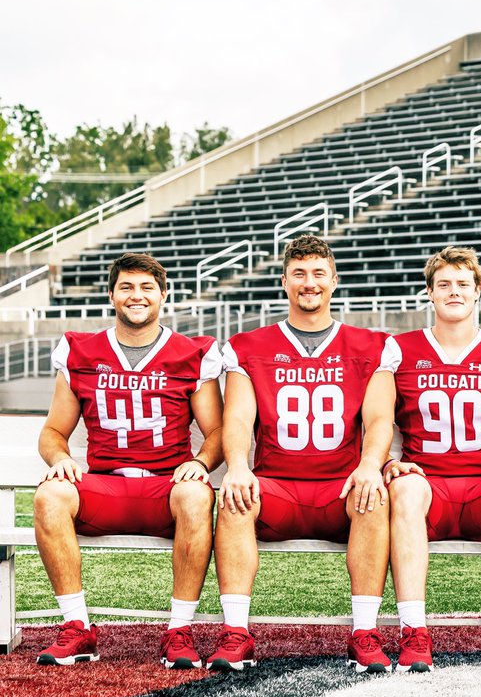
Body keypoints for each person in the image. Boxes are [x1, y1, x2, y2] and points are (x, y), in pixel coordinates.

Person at [210, 234, 396, 673]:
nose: (308, 283)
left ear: (333, 281)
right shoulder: (249, 346)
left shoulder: (371, 345)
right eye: (298, 274)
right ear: (284, 281)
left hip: (341, 486)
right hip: (275, 486)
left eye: (317, 274)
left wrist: (371, 465)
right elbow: (236, 419)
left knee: (374, 495)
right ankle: (236, 632)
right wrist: (237, 466)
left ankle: (364, 632)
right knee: (235, 497)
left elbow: (379, 419)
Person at [34, 252, 223, 668]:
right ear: (112, 295)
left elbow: (217, 432)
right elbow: (52, 432)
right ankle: (77, 627)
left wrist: (203, 462)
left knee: (196, 496)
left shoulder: (191, 353)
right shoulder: (81, 351)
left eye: (146, 287)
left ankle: (179, 630)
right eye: (127, 287)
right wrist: (60, 458)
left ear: (163, 295)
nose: (136, 296)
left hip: (165, 487)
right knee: (49, 497)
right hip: (105, 484)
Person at [385, 246, 481, 673]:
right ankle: (413, 630)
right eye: (444, 285)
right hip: (427, 482)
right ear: (429, 293)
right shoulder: (398, 350)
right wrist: (389, 461)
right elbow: (377, 421)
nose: (454, 292)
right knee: (406, 488)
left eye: (463, 285)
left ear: (478, 293)